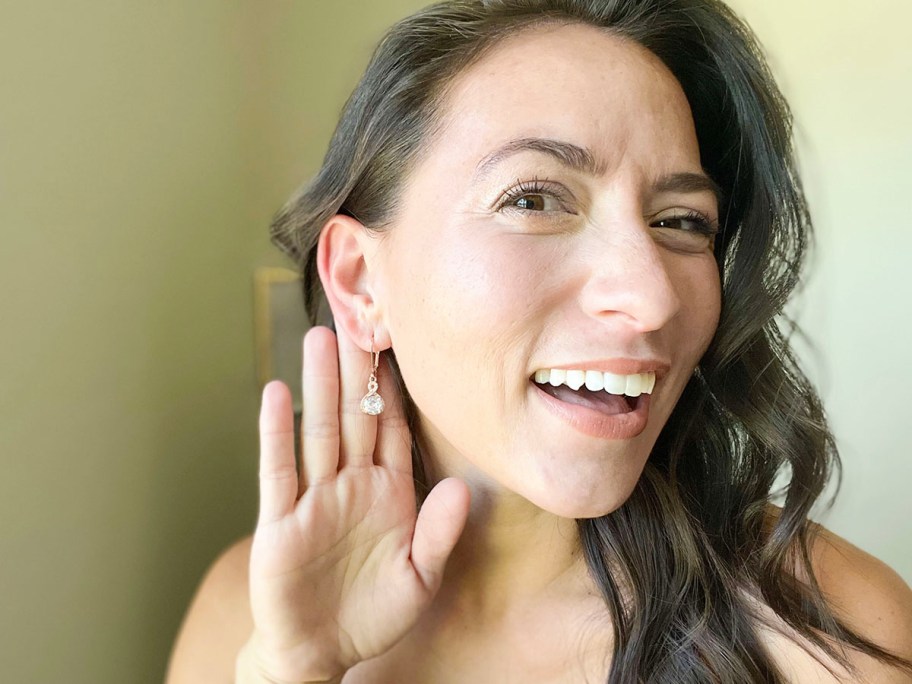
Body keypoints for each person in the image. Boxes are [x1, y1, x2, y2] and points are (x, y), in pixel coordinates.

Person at [166, 0, 912, 682]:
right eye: (533, 199)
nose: (651, 296)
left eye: (683, 221)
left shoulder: (832, 641)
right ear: (361, 283)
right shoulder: (254, 613)